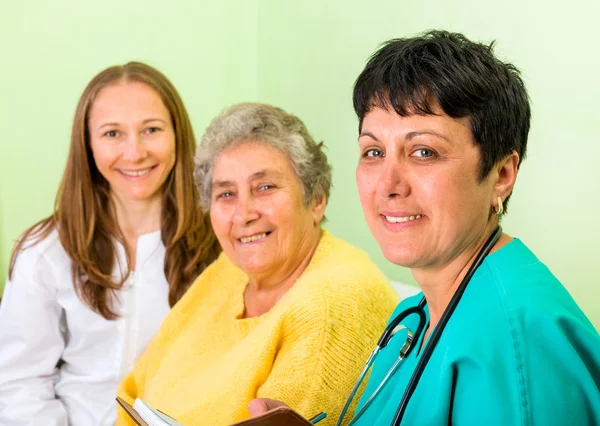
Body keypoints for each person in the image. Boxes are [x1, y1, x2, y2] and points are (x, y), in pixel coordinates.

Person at [249, 31, 600, 425]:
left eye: (423, 152)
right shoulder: (413, 316)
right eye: (374, 152)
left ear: (501, 174)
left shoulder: (519, 343)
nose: (388, 184)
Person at [116, 103, 399, 425]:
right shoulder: (229, 271)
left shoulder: (333, 300)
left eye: (265, 187)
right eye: (226, 194)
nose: (244, 214)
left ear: (316, 198)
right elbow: (133, 393)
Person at [0, 62, 220, 426]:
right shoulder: (44, 253)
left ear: (178, 134)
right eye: (112, 134)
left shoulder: (219, 244)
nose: (134, 153)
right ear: (87, 143)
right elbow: (19, 383)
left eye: (151, 129)